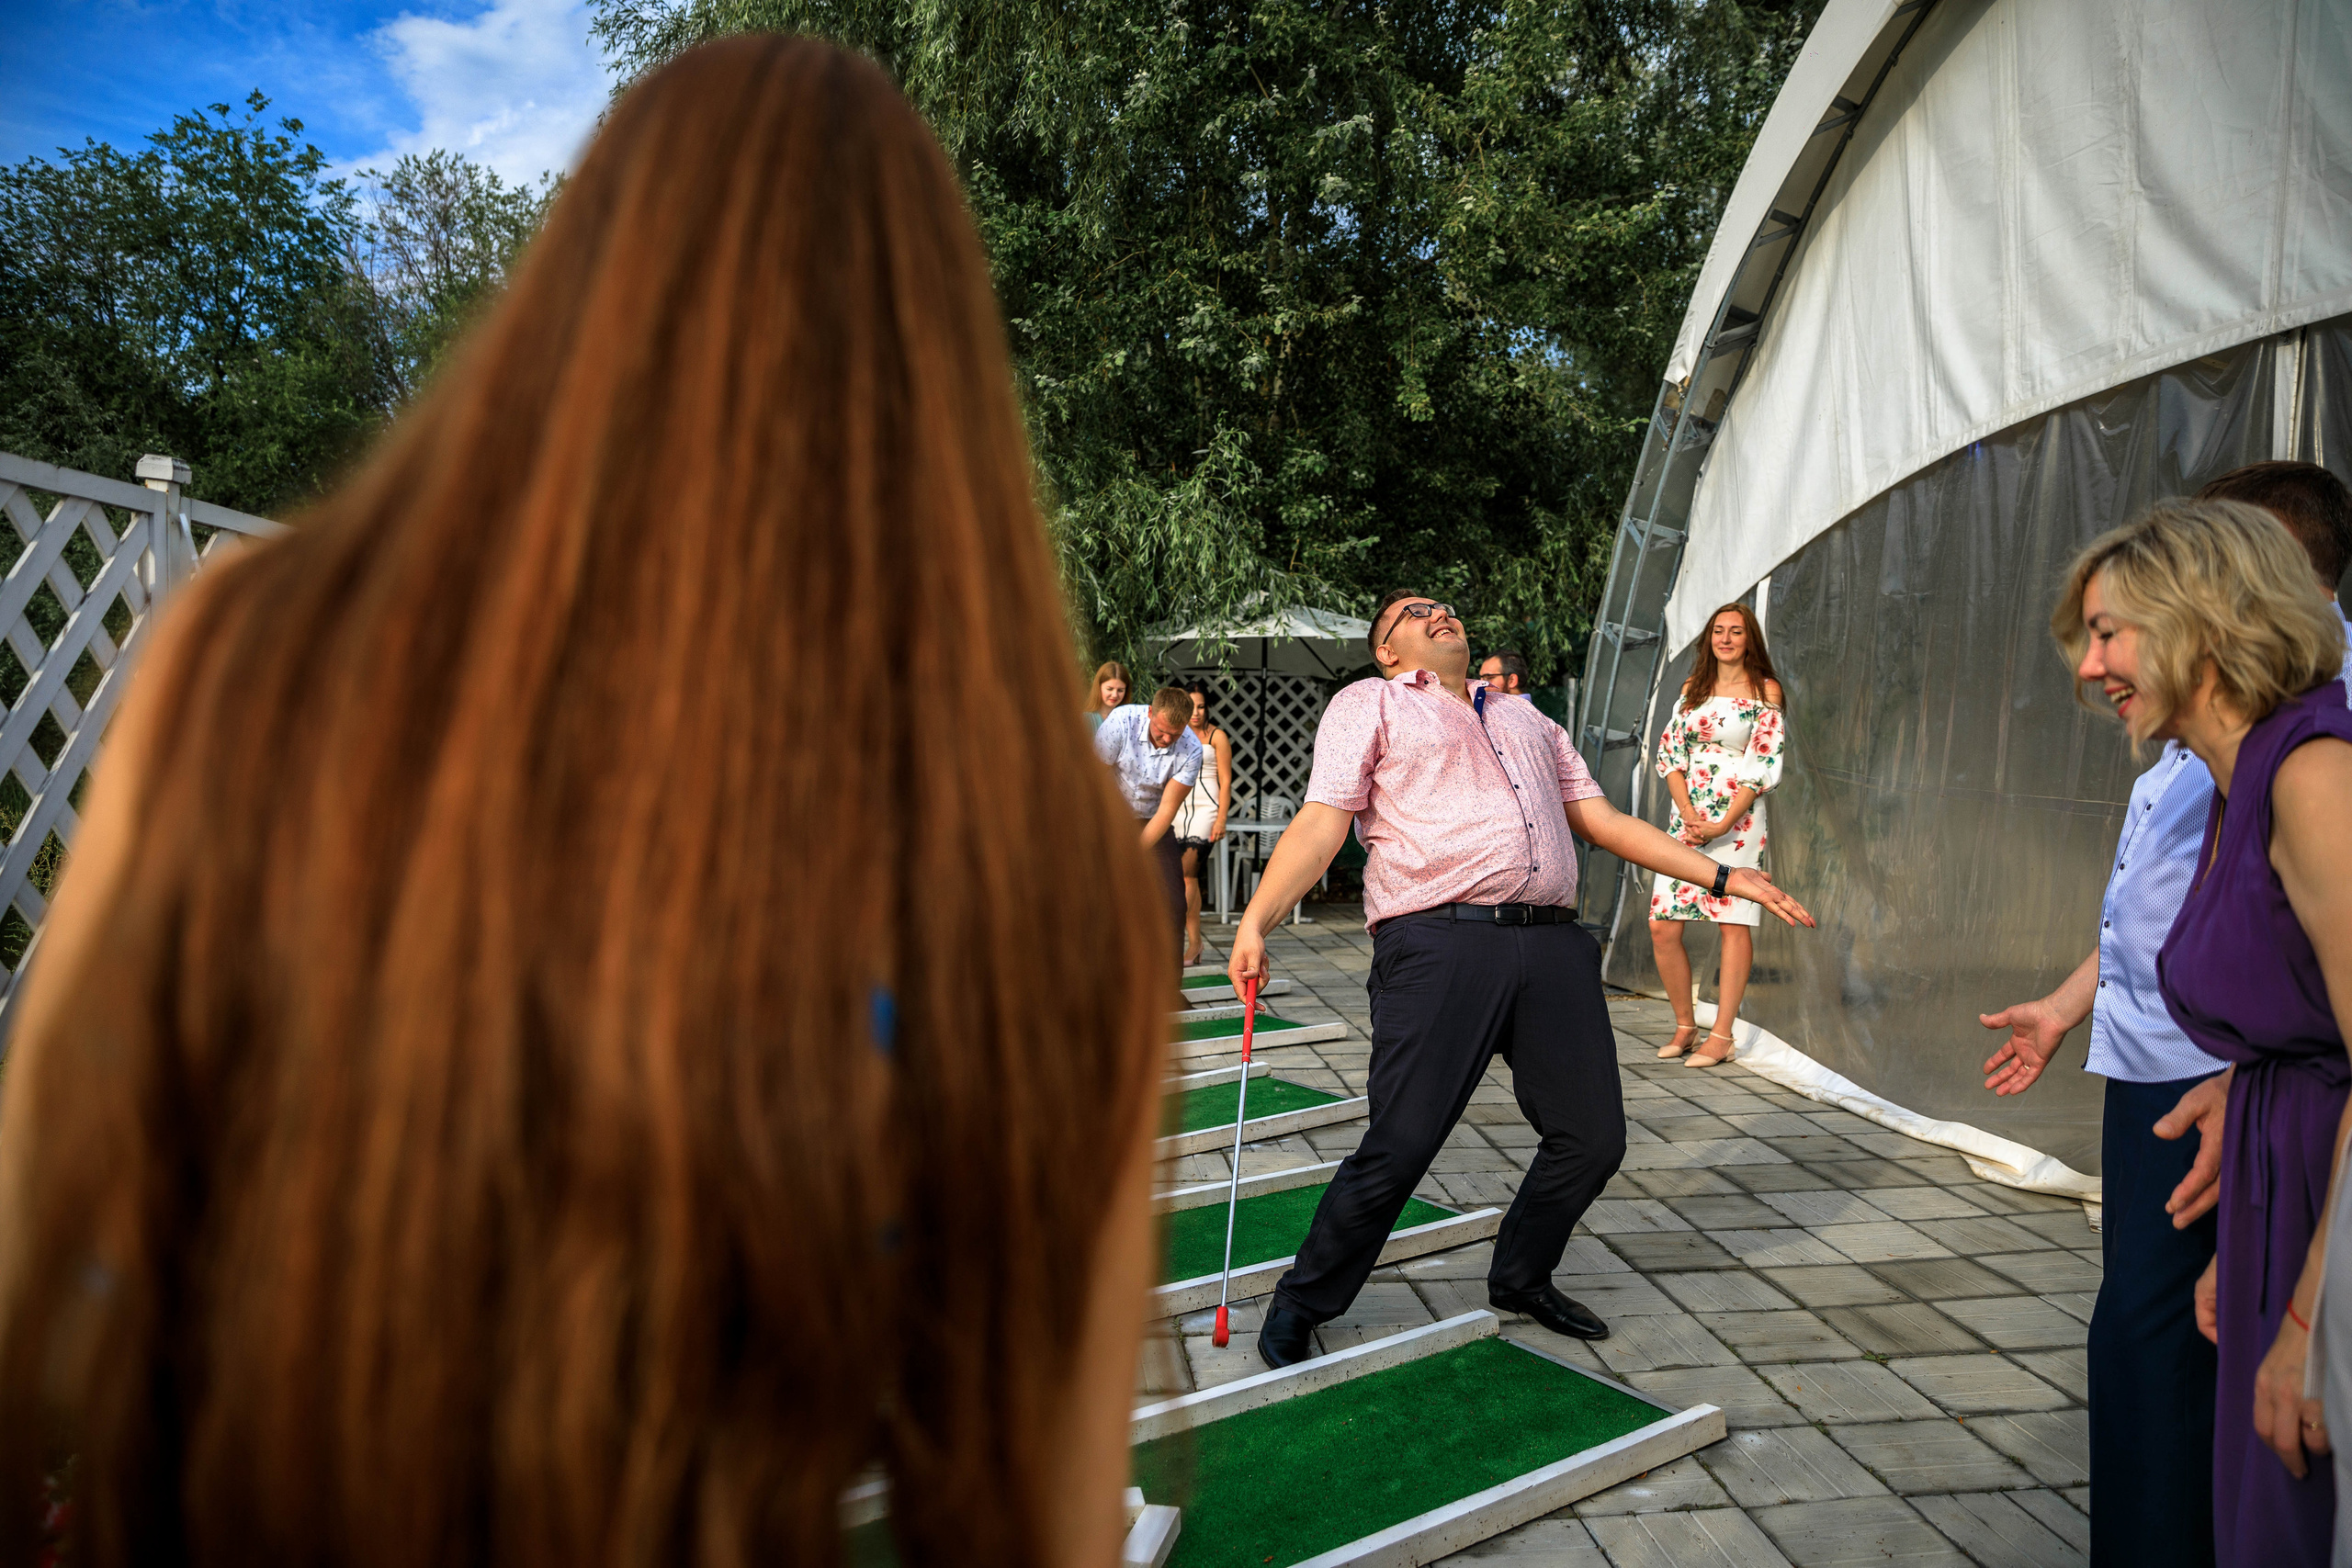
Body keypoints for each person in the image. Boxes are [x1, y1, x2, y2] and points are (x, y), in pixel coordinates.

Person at [0, 38, 1172, 1568]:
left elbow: (43, 1214)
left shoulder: (257, 649)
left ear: (585, 296)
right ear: (932, 373)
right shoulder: (1033, 858)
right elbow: (1060, 1515)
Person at [1226, 591, 1815, 1368]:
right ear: (1387, 650)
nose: (1440, 614)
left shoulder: (1527, 718)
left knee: (1594, 1138)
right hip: (1437, 943)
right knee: (1401, 1143)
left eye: (1446, 606)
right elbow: (1323, 819)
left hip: (1552, 946)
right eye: (1414, 612)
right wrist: (1255, 919)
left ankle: (1520, 1274)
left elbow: (1604, 822)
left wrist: (1723, 875)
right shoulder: (1367, 703)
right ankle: (1303, 1297)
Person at [1979, 460, 2352, 1568]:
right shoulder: (2240, 766)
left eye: (2109, 634)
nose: (2088, 665)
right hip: (2258, 1138)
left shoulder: (2310, 770)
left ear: (2200, 617)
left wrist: (2306, 1320)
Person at [1646, 604, 1786, 1070]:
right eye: (1718, 631)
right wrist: (1686, 812)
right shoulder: (1692, 690)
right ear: (1709, 638)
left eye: (1736, 632)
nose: (1726, 638)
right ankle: (1686, 1026)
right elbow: (1670, 753)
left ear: (1751, 640)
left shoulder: (1766, 690)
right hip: (1686, 819)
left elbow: (1764, 761)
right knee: (1663, 925)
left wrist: (1725, 822)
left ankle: (1722, 1034)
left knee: (1733, 923)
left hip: (1738, 821)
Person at [1094, 687, 1206, 953]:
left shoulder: (1191, 749)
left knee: (1173, 902)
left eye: (1174, 734)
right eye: (1161, 731)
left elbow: (1167, 811)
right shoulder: (1122, 723)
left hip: (1153, 821)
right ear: (1150, 713)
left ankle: (1168, 987)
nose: (1167, 739)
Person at [1170, 680, 1233, 965]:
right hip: (1179, 807)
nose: (1196, 712)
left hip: (1207, 808)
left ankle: (1191, 942)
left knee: (1188, 874)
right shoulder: (1176, 734)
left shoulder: (1217, 736)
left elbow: (1226, 779)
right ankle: (1194, 942)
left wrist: (1222, 817)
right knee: (1183, 878)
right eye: (1191, 706)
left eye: (1201, 706)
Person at [1084, 661, 1132, 730]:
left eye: (1120, 690)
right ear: (1099, 687)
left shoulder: (1129, 720)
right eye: (1110, 689)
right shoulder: (1086, 720)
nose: (1115, 695)